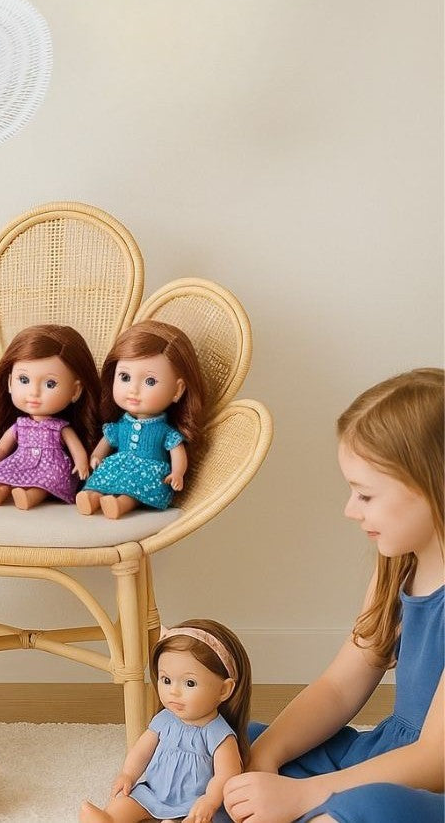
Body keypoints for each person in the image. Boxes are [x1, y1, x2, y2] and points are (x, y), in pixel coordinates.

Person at [223, 368, 444, 823]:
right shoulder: (399, 565)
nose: (349, 509)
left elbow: (434, 759)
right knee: (236, 745)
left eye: (365, 495)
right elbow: (340, 687)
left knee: (370, 805)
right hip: (388, 755)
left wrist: (302, 796)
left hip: (428, 780)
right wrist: (263, 760)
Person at [80, 619, 252, 823]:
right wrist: (128, 774)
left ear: (223, 690)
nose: (173, 691)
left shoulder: (219, 734)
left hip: (193, 803)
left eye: (189, 683)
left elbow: (226, 776)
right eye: (166, 680)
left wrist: (210, 801)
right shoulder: (164, 720)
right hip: (153, 793)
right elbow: (141, 751)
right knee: (125, 803)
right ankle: (108, 819)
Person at [77, 320, 206, 519]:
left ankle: (121, 505)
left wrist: (177, 473)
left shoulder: (165, 431)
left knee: (135, 491)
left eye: (150, 381)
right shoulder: (120, 425)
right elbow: (107, 442)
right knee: (101, 480)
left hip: (149, 471)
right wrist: (96, 457)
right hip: (118, 465)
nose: (133, 390)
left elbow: (177, 453)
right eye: (125, 377)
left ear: (177, 390)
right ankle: (91, 497)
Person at [0, 324, 101, 509]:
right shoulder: (19, 426)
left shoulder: (61, 428)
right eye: (23, 380)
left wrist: (81, 464)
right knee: (3, 471)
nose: (33, 392)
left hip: (52, 466)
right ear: (9, 383)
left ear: (75, 391)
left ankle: (31, 496)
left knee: (47, 480)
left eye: (50, 384)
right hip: (21, 460)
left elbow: (77, 450)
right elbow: (1, 448)